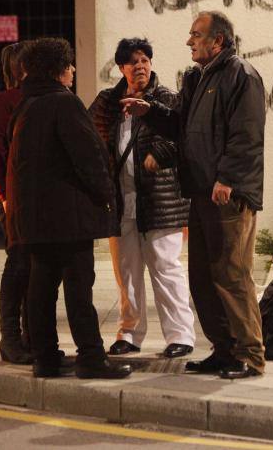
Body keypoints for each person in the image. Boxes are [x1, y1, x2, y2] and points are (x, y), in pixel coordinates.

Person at [121, 11, 267, 379]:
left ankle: (250, 354)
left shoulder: (241, 76)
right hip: (200, 192)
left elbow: (246, 135)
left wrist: (228, 178)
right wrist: (150, 111)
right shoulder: (197, 78)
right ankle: (223, 349)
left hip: (225, 194)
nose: (189, 41)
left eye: (195, 35)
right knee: (202, 276)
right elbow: (181, 125)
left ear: (217, 41)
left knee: (232, 275)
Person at [6, 37, 132, 379]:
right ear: (57, 69)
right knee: (79, 289)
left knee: (41, 288)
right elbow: (89, 158)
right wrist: (106, 197)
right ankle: (91, 357)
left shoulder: (26, 106)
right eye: (69, 65)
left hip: (34, 219)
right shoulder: (64, 104)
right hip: (68, 217)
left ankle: (45, 358)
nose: (73, 70)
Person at [88, 38, 195, 359]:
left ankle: (181, 335)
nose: (140, 66)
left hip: (161, 202)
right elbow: (89, 140)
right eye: (133, 62)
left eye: (145, 59)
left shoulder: (166, 99)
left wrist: (160, 154)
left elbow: (183, 138)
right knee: (127, 273)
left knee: (166, 268)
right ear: (121, 68)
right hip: (121, 203)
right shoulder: (108, 103)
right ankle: (130, 333)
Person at [0, 42, 31, 364]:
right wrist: (4, 196)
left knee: (33, 266)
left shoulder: (34, 97)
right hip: (13, 198)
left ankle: (30, 335)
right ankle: (11, 338)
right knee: (18, 263)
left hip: (35, 196)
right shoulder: (6, 102)